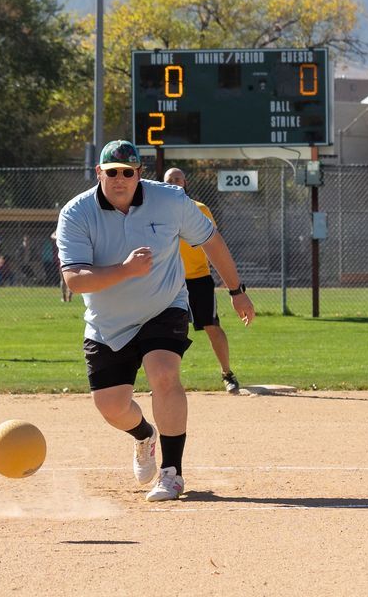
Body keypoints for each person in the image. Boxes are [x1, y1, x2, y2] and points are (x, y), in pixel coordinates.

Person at [56, 142, 255, 503]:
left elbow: (211, 240)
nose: (120, 179)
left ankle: (172, 473)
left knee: (163, 372)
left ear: (139, 174)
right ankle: (144, 435)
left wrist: (236, 290)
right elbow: (75, 279)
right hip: (108, 322)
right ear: (98, 173)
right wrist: (126, 270)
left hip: (163, 307)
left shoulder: (171, 201)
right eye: (111, 171)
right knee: (111, 407)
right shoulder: (76, 212)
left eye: (127, 172)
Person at [162, 167, 241, 394]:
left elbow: (212, 242)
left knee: (211, 326)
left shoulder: (199, 209)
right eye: (170, 180)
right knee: (166, 331)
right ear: (164, 183)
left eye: (178, 179)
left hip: (198, 278)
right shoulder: (158, 211)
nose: (175, 182)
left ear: (185, 183)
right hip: (170, 279)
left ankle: (227, 373)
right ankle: (165, 381)